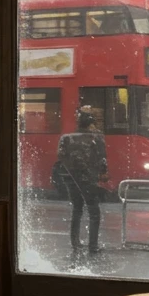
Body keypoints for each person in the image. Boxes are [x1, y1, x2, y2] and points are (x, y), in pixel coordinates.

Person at [57, 106, 108, 256]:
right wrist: (101, 173)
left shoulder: (66, 138)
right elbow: (102, 161)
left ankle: (75, 244)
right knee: (94, 211)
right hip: (88, 179)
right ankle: (93, 246)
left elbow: (61, 157)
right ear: (90, 123)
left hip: (70, 178)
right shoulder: (96, 138)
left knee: (77, 209)